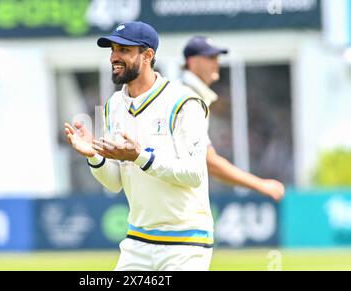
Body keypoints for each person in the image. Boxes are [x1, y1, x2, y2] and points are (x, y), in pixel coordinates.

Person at [65, 21, 214, 271]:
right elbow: (114, 182)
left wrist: (139, 157)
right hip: (138, 241)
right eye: (113, 49)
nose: (114, 57)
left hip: (186, 241)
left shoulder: (183, 102)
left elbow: (194, 174)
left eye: (124, 50)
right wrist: (94, 156)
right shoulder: (114, 105)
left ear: (148, 55)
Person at [180, 36, 285, 201]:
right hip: (177, 210)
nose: (216, 63)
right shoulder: (188, 99)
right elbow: (210, 162)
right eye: (210, 57)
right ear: (192, 62)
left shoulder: (188, 94)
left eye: (217, 58)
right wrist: (260, 185)